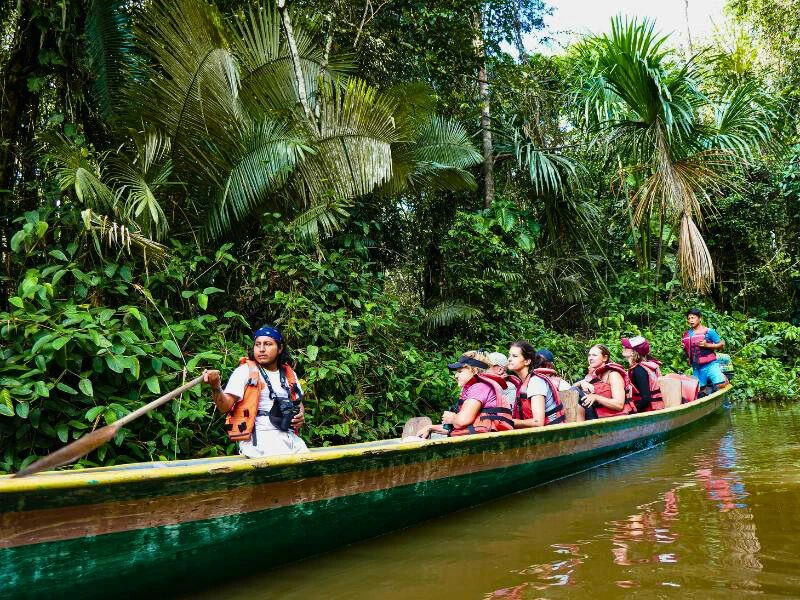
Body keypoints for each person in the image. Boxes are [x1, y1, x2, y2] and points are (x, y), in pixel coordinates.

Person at [203, 325, 308, 457]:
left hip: (289, 436)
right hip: (260, 438)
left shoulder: (288, 373)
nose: (262, 349)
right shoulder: (244, 372)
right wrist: (216, 387)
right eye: (258, 344)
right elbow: (224, 407)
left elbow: (298, 403)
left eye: (268, 344)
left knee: (309, 464)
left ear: (280, 348)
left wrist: (300, 415)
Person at [417, 350, 513, 438]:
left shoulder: (479, 387)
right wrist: (430, 427)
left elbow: (461, 422)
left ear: (474, 371)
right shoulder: (476, 387)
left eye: (460, 371)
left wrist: (452, 417)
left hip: (486, 444)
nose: (456, 375)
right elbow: (457, 428)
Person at [507, 341, 565, 428]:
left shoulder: (535, 382)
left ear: (527, 361)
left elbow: (538, 422)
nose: (509, 359)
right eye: (509, 355)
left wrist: (512, 422)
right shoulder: (524, 381)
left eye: (514, 356)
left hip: (552, 433)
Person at [575, 344, 633, 421]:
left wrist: (596, 397)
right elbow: (572, 389)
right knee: (575, 391)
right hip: (598, 416)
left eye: (594, 355)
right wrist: (582, 383)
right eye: (589, 355)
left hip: (615, 419)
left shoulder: (613, 375)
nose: (590, 358)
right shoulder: (592, 375)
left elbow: (619, 404)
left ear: (605, 358)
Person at [682, 308, 727, 396]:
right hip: (696, 367)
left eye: (693, 318)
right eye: (689, 318)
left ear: (700, 318)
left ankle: (724, 378)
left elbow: (721, 345)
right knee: (699, 391)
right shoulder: (686, 334)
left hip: (710, 364)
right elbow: (689, 352)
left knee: (720, 384)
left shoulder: (709, 332)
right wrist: (684, 348)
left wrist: (707, 345)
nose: (691, 320)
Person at [620, 336, 663, 412]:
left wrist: (634, 412)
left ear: (633, 352)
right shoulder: (641, 367)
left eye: (626, 347)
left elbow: (646, 398)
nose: (623, 348)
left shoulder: (638, 370)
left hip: (648, 411)